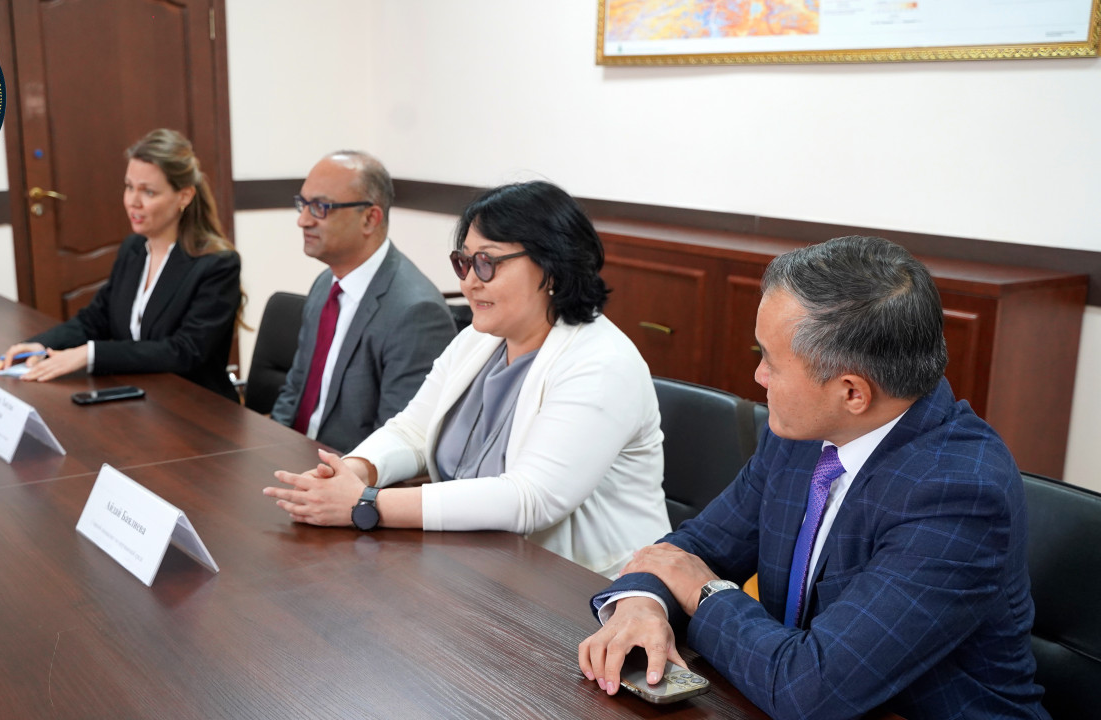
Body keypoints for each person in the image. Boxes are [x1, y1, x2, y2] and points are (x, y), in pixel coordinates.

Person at [578, 236, 1047, 719]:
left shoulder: (959, 494)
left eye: (771, 361)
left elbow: (811, 690)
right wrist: (643, 603)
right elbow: (693, 549)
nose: (758, 376)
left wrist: (705, 594)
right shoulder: (802, 432)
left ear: (852, 392)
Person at [264, 181, 670, 576]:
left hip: (591, 590)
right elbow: (411, 431)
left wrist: (366, 503)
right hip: (482, 567)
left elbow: (529, 499)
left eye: (487, 263)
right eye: (465, 262)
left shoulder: (601, 363)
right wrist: (353, 472)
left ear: (552, 269)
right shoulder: (479, 339)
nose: (469, 282)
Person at [0, 129, 242, 402]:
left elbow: (184, 351)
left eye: (148, 192)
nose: (133, 202)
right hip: (143, 399)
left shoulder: (217, 264)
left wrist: (90, 354)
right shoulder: (134, 249)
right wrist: (42, 345)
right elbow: (96, 318)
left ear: (184, 196)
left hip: (196, 407)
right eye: (129, 187)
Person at [269, 151, 455, 453]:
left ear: (370, 218)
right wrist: (270, 446)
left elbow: (397, 443)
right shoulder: (325, 284)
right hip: (295, 453)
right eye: (303, 204)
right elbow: (296, 387)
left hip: (346, 470)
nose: (303, 220)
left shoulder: (416, 312)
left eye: (319, 207)